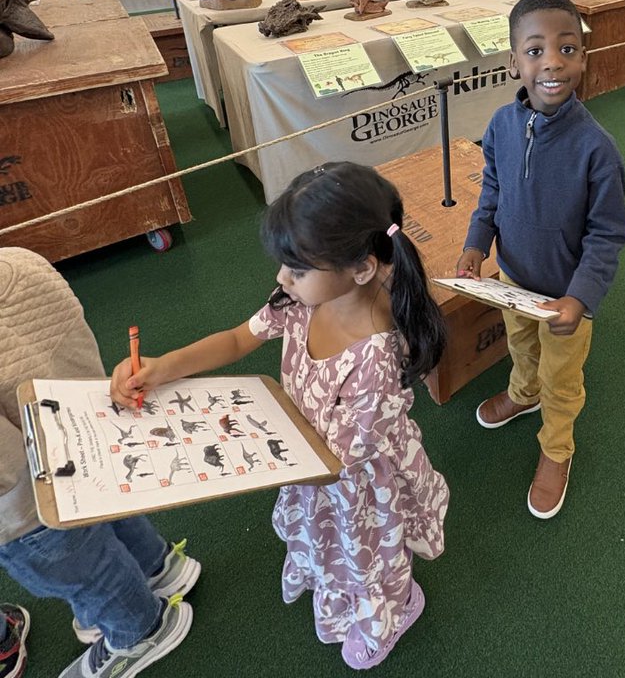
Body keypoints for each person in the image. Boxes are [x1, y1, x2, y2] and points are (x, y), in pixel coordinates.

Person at [110, 164, 448, 672]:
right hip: (306, 459)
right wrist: (164, 367)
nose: (281, 278)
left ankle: (394, 610)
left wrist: (250, 450)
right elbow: (239, 338)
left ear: (360, 268)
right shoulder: (302, 299)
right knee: (330, 545)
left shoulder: (376, 358)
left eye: (296, 267)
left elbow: (340, 459)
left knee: (372, 553)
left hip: (352, 482)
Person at [457, 0, 625, 519]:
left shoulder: (597, 149)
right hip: (512, 282)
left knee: (563, 378)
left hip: (563, 303)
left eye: (567, 48)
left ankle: (557, 448)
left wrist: (579, 298)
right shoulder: (502, 127)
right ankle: (520, 392)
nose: (552, 61)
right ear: (514, 62)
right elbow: (491, 191)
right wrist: (474, 245)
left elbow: (607, 235)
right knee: (520, 347)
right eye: (534, 51)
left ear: (583, 56)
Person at [0, 248, 198, 678]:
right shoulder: (22, 259)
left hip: (28, 504)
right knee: (109, 520)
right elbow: (79, 344)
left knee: (84, 572)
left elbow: (5, 468)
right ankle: (159, 567)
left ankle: (141, 629)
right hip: (86, 438)